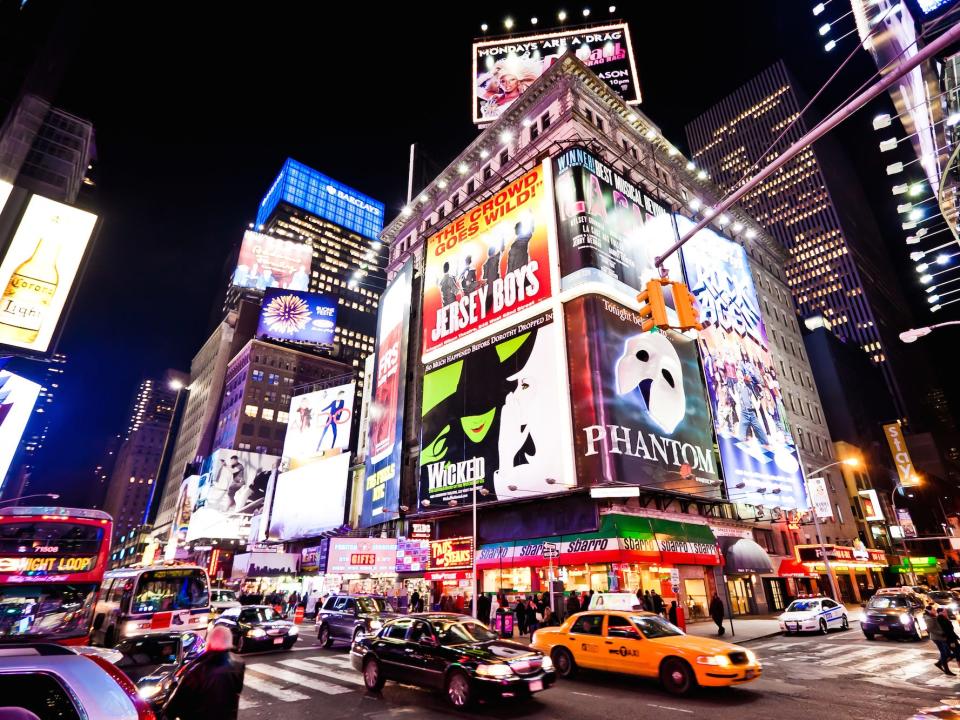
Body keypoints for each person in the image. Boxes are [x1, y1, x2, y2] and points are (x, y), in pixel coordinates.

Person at [163, 626, 244, 720]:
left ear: (208, 644)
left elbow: (175, 706)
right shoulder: (239, 663)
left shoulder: (195, 670)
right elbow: (237, 690)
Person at [925, 605, 953, 674]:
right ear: (929, 610)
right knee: (944, 653)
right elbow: (930, 629)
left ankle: (939, 663)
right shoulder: (929, 618)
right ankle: (946, 670)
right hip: (937, 638)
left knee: (947, 653)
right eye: (933, 610)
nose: (935, 611)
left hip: (940, 637)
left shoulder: (932, 616)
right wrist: (941, 633)